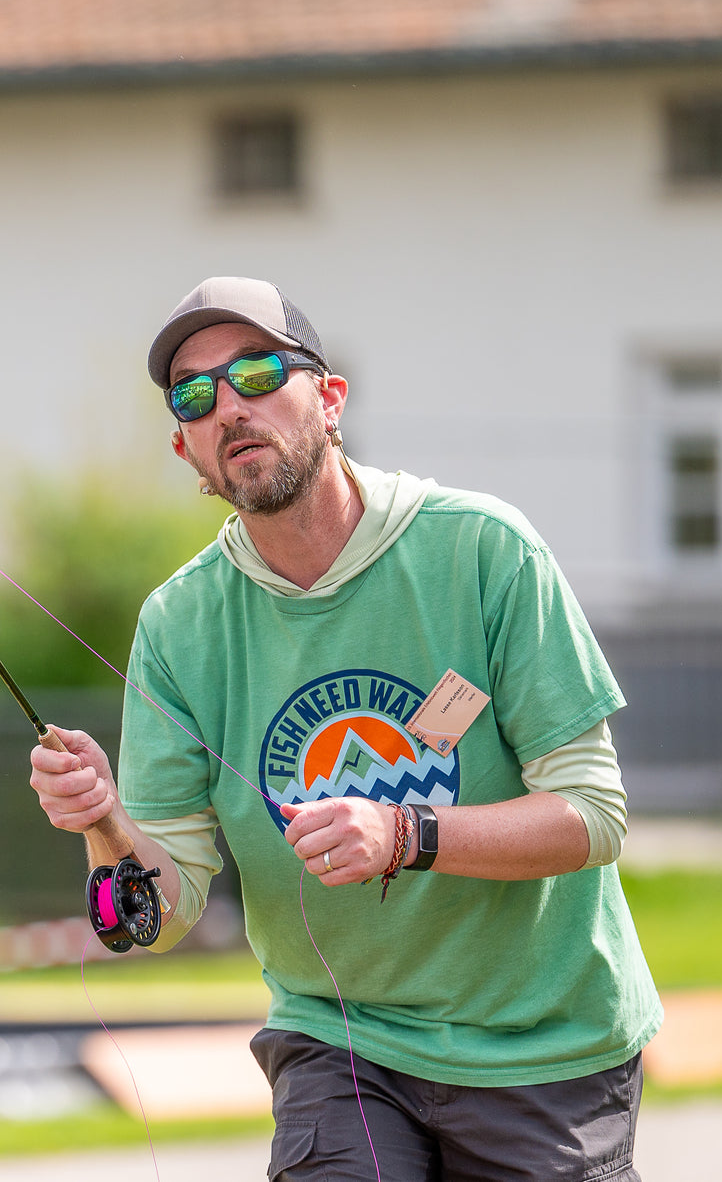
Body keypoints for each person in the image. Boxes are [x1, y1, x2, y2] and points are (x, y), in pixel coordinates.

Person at [31, 276, 662, 1181]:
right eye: (196, 397)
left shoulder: (484, 551)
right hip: (341, 1042)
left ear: (328, 399)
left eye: (256, 372)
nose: (230, 409)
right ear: (185, 449)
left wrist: (405, 832)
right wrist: (103, 824)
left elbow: (595, 816)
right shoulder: (179, 626)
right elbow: (153, 922)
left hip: (546, 1043)